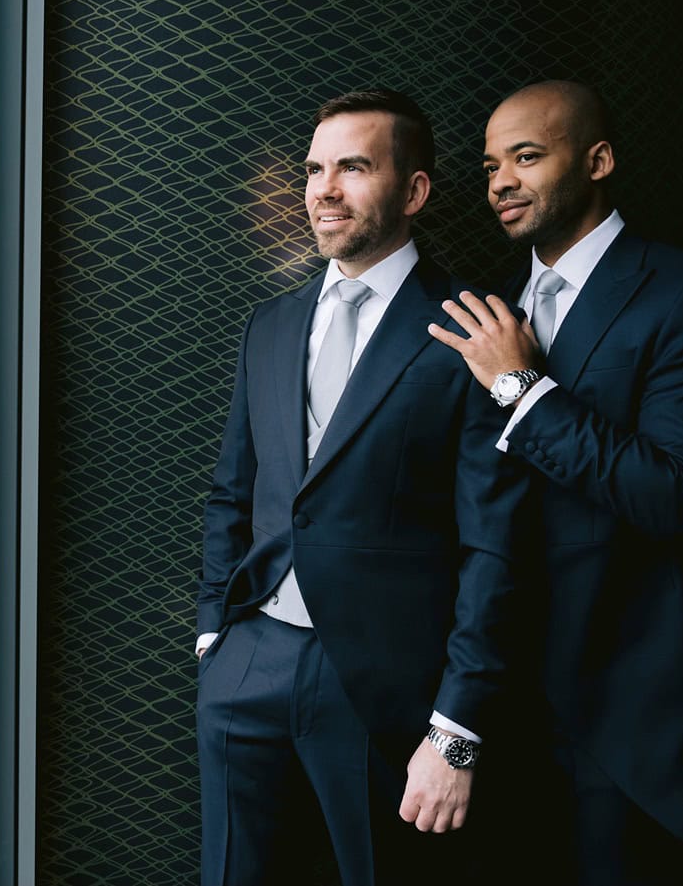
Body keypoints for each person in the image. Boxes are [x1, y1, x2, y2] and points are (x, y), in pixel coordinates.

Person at [197, 88, 529, 885]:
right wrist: (214, 637)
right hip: (249, 665)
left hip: (386, 691)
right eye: (315, 169)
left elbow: (496, 547)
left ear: (413, 190)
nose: (324, 189)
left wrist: (456, 730)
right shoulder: (269, 324)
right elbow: (232, 492)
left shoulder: (476, 330)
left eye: (353, 167)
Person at [427, 80, 683, 884]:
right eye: (491, 165)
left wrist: (522, 389)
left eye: (527, 157)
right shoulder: (485, 310)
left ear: (597, 161)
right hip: (493, 711)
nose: (500, 181)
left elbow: (675, 493)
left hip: (624, 717)